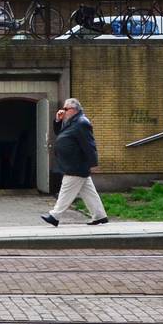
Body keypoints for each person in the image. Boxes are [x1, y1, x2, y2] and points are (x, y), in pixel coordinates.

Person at [42, 97, 108, 227]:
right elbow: (59, 133)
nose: (63, 111)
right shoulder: (72, 121)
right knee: (88, 191)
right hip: (74, 163)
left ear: (74, 109)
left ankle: (55, 216)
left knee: (66, 189)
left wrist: (94, 163)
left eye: (66, 109)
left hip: (76, 164)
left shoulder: (82, 123)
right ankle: (100, 215)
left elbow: (89, 145)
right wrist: (58, 120)